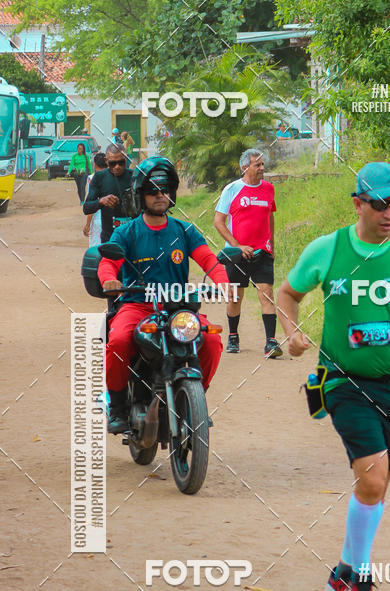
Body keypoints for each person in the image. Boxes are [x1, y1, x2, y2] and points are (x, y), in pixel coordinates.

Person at [277, 162, 390, 591]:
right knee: (372, 479)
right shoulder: (328, 249)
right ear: (358, 204)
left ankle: (342, 571)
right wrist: (292, 332)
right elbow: (288, 293)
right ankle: (360, 583)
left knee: (377, 485)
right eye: (380, 205)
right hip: (342, 381)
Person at [98, 156, 228, 434]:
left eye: (165, 190)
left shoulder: (185, 230)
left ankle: (194, 401)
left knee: (211, 340)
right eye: (153, 190)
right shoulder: (126, 232)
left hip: (177, 309)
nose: (160, 195)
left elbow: (209, 260)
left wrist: (222, 282)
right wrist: (109, 279)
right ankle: (118, 406)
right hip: (137, 306)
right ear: (141, 195)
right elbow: (108, 263)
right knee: (119, 340)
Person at [214, 148, 282, 358]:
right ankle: (233, 335)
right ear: (245, 167)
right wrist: (237, 246)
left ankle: (271, 342)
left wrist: (271, 245)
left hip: (262, 252)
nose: (262, 168)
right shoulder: (232, 189)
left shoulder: (269, 188)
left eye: (262, 164)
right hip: (237, 255)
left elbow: (270, 216)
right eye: (257, 165)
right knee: (235, 297)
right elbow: (218, 222)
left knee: (267, 293)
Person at [83, 143, 135, 243]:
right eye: (112, 163)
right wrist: (101, 201)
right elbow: (86, 208)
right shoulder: (99, 177)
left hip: (133, 237)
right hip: (109, 239)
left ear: (126, 159)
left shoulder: (134, 177)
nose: (117, 167)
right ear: (106, 161)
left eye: (121, 162)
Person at [82, 151, 107, 246]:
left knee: (96, 248)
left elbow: (91, 205)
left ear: (95, 165)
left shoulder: (92, 179)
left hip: (98, 219)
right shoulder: (112, 177)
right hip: (111, 219)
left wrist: (88, 224)